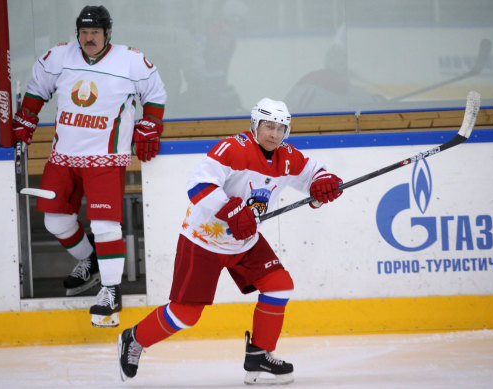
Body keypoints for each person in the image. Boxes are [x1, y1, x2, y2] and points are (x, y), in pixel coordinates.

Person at [117, 98, 343, 385]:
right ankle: (134, 339)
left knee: (279, 285)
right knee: (186, 315)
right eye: (268, 126)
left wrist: (323, 184)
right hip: (204, 240)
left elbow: (314, 172)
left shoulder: (287, 156)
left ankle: (259, 355)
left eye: (281, 128)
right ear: (255, 125)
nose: (274, 134)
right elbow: (198, 185)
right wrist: (232, 210)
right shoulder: (232, 148)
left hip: (245, 241)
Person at [11, 5, 167, 327]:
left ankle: (111, 290)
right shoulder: (59, 56)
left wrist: (151, 123)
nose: (89, 38)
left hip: (105, 158)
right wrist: (27, 115)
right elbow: (38, 86)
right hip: (64, 155)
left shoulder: (130, 60)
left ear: (108, 33)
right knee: (55, 221)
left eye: (95, 32)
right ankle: (90, 260)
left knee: (105, 225)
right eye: (84, 32)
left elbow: (155, 92)